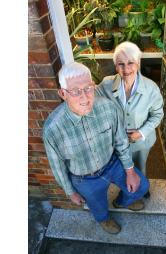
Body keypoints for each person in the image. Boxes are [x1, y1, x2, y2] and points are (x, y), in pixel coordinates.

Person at [43, 62, 149, 235]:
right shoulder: (53, 129)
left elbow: (121, 141)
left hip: (112, 163)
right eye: (76, 91)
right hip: (84, 179)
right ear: (63, 94)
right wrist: (70, 192)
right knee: (97, 206)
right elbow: (58, 167)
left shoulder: (108, 108)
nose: (85, 97)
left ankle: (122, 201)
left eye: (88, 88)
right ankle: (104, 219)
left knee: (142, 186)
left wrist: (130, 172)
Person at [95, 41, 164, 198]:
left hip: (141, 141)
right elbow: (91, 94)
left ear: (138, 63)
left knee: (140, 165)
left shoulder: (151, 88)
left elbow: (158, 114)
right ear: (115, 66)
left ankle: (142, 188)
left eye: (130, 63)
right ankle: (125, 188)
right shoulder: (107, 84)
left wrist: (140, 132)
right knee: (121, 166)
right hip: (117, 141)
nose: (126, 69)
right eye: (121, 64)